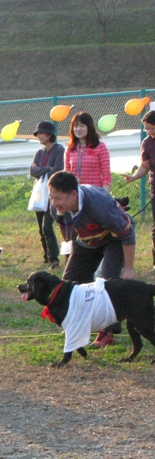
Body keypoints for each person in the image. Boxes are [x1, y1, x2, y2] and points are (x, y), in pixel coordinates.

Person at [48, 171, 135, 347]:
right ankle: (77, 326)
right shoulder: (56, 208)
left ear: (74, 194)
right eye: (51, 198)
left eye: (58, 198)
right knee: (69, 284)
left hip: (114, 239)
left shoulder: (99, 205)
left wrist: (128, 268)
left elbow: (127, 234)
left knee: (106, 284)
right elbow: (67, 231)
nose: (54, 203)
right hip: (86, 241)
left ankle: (107, 332)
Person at [29, 121, 65, 270]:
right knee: (41, 228)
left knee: (47, 227)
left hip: (53, 194)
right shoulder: (40, 152)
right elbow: (32, 171)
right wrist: (46, 168)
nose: (38, 136)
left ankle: (54, 259)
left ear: (50, 135)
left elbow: (56, 170)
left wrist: (42, 169)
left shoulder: (59, 150)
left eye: (41, 133)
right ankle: (47, 256)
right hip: (40, 194)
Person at [123, 110, 155, 268]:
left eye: (152, 128)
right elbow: (145, 166)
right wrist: (135, 176)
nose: (149, 132)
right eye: (147, 129)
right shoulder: (147, 143)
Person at [64, 112, 111, 191]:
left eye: (82, 126)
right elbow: (66, 174)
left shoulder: (100, 147)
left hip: (95, 192)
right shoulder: (69, 148)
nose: (78, 129)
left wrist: (104, 194)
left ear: (89, 127)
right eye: (75, 126)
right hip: (75, 192)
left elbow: (106, 174)